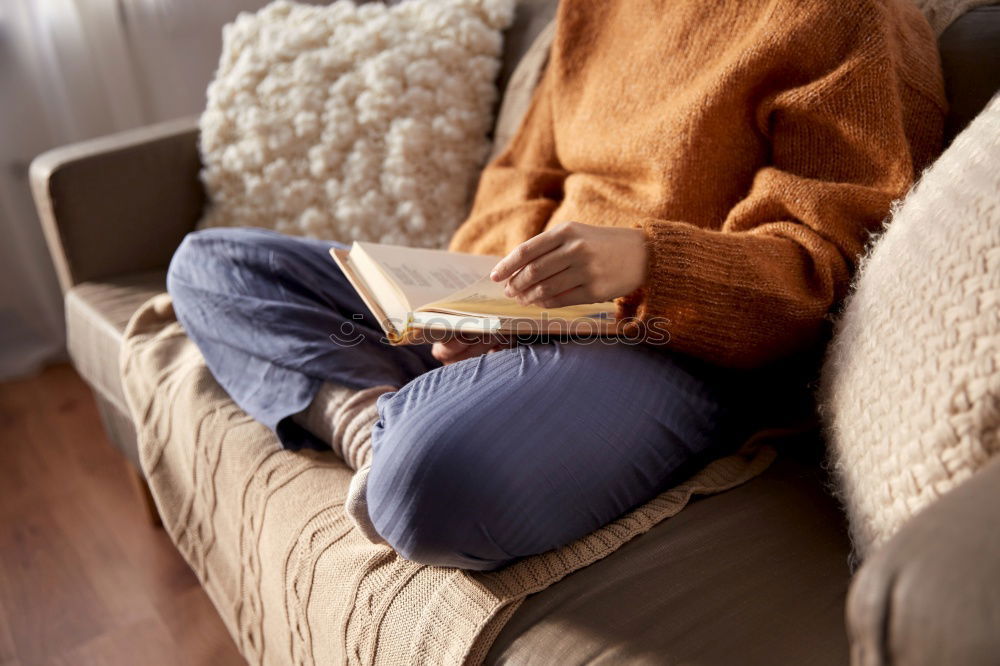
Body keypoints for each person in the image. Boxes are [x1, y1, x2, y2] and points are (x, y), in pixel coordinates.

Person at [166, 0, 945, 571]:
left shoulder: (852, 18)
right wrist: (481, 304)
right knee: (213, 266)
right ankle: (371, 421)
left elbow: (819, 271)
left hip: (672, 344)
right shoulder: (595, 9)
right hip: (526, 306)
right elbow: (519, 175)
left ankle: (398, 433)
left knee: (423, 487)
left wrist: (646, 261)